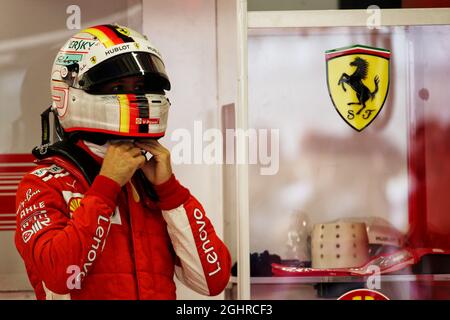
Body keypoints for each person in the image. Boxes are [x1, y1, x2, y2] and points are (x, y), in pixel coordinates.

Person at [15, 24, 231, 300]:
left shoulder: (151, 180)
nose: (137, 97)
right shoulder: (45, 183)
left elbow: (213, 281)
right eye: (117, 87)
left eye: (141, 87)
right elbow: (60, 278)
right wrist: (106, 186)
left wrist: (170, 191)